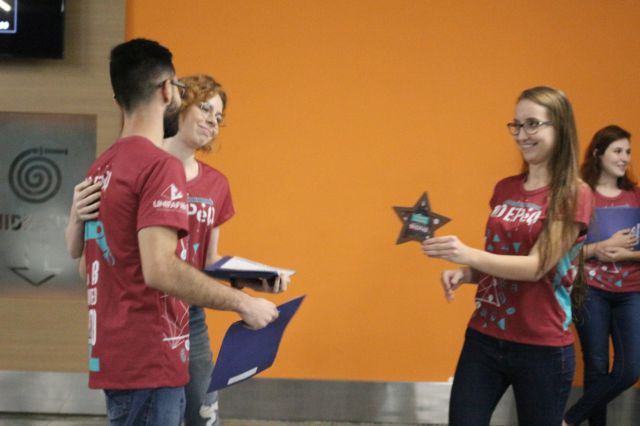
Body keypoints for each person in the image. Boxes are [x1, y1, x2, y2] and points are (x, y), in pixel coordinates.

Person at [66, 38, 279, 426]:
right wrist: (243, 304)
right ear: (168, 91)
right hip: (152, 351)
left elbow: (88, 268)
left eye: (219, 116)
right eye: (202, 106)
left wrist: (248, 281)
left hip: (119, 351)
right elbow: (160, 269)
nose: (212, 121)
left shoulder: (102, 166)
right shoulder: (160, 167)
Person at [422, 86, 593, 426]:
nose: (522, 134)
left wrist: (466, 254)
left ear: (560, 127)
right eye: (517, 125)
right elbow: (502, 256)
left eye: (533, 124)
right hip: (485, 336)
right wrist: (468, 272)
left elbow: (536, 267)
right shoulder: (506, 188)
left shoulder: (574, 193)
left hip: (542, 345)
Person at [563, 125, 640, 426]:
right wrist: (600, 248)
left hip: (631, 292)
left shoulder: (636, 196)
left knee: (629, 369)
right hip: (589, 290)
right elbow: (562, 253)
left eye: (628, 152)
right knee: (595, 367)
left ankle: (569, 420)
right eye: (617, 151)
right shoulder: (582, 195)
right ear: (598, 153)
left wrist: (626, 255)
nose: (625, 158)